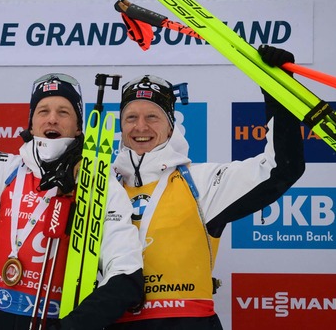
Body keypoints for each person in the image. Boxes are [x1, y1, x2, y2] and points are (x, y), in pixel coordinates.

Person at [107, 44, 306, 329]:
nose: (141, 126)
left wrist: (277, 89)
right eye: (131, 117)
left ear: (171, 126)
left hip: (187, 322)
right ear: (121, 126)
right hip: (116, 321)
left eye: (152, 116)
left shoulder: (202, 182)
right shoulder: (102, 186)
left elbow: (280, 169)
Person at [0, 73, 145, 330]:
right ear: (31, 123)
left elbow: (127, 275)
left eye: (63, 112)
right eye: (43, 111)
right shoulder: (7, 170)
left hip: (56, 318)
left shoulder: (99, 185)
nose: (52, 118)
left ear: (78, 127)